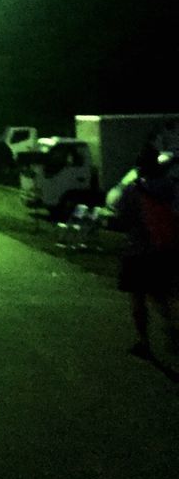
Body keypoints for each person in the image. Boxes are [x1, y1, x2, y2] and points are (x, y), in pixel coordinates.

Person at [106, 143, 179, 357]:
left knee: (138, 298)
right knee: (161, 294)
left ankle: (144, 342)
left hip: (137, 249)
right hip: (163, 248)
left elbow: (121, 215)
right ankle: (170, 327)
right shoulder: (170, 187)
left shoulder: (134, 188)